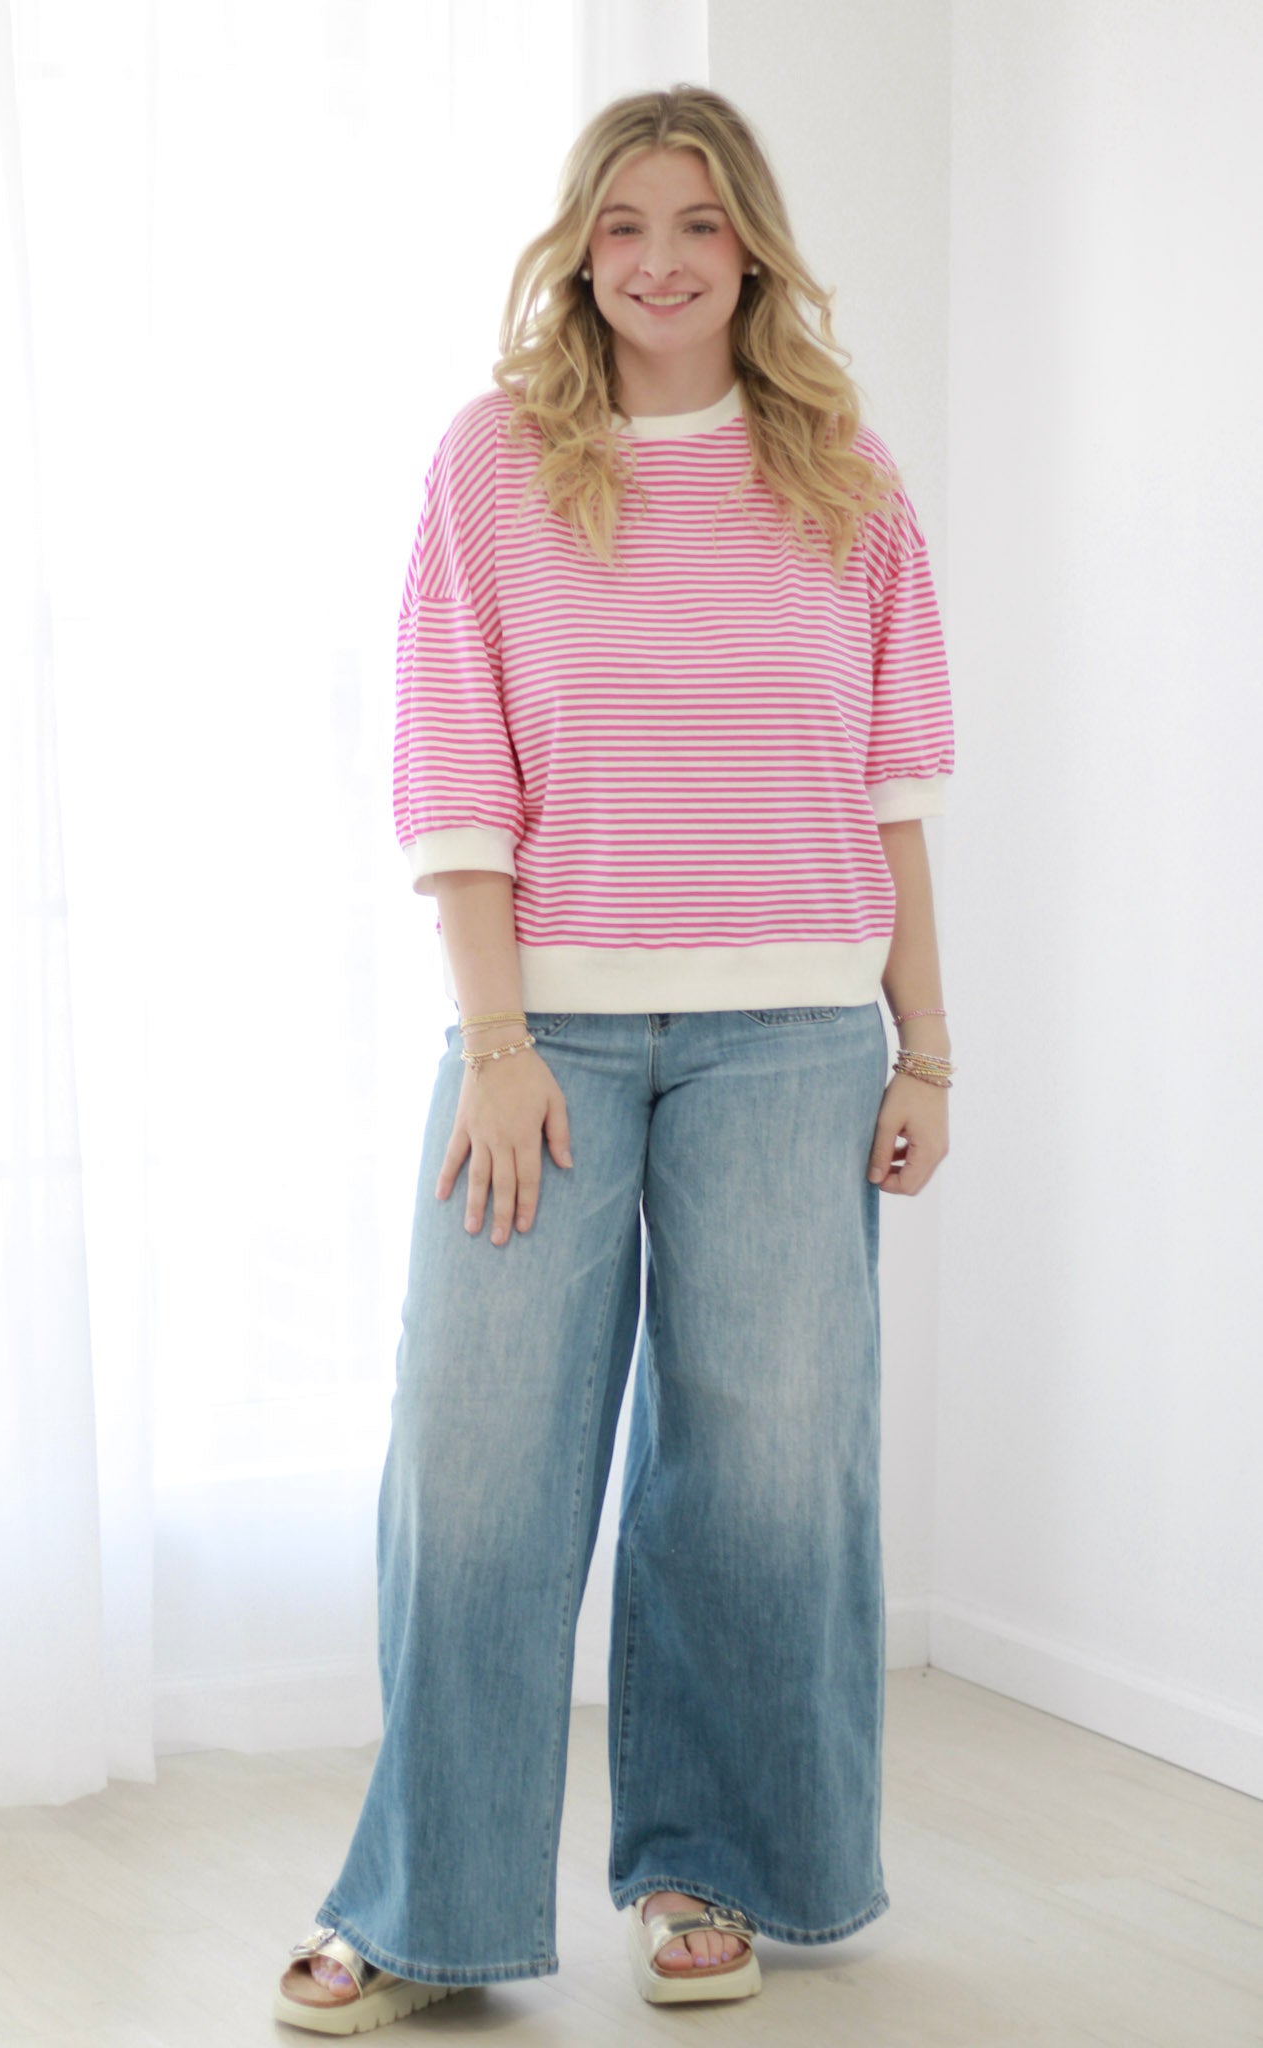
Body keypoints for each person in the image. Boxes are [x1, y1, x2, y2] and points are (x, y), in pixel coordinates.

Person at [274, 82, 955, 2036]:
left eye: (701, 223)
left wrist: (925, 1050)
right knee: (474, 1470)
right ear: (579, 248)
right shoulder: (495, 461)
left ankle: (705, 1865)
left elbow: (894, 789)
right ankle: (425, 1908)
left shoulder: (842, 473)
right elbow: (450, 767)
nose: (661, 260)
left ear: (753, 249)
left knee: (759, 1476)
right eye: (626, 223)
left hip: (797, 1038)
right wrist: (494, 1036)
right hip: (543, 1031)